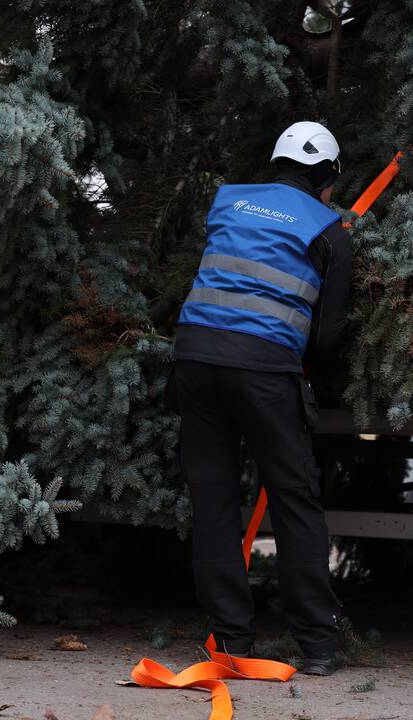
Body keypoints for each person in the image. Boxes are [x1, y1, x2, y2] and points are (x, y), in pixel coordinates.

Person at [166, 121, 353, 676]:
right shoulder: (330, 231)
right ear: (328, 179)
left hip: (195, 361)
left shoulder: (228, 203)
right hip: (265, 372)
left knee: (214, 503)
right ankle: (318, 645)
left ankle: (229, 643)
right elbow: (327, 336)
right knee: (294, 501)